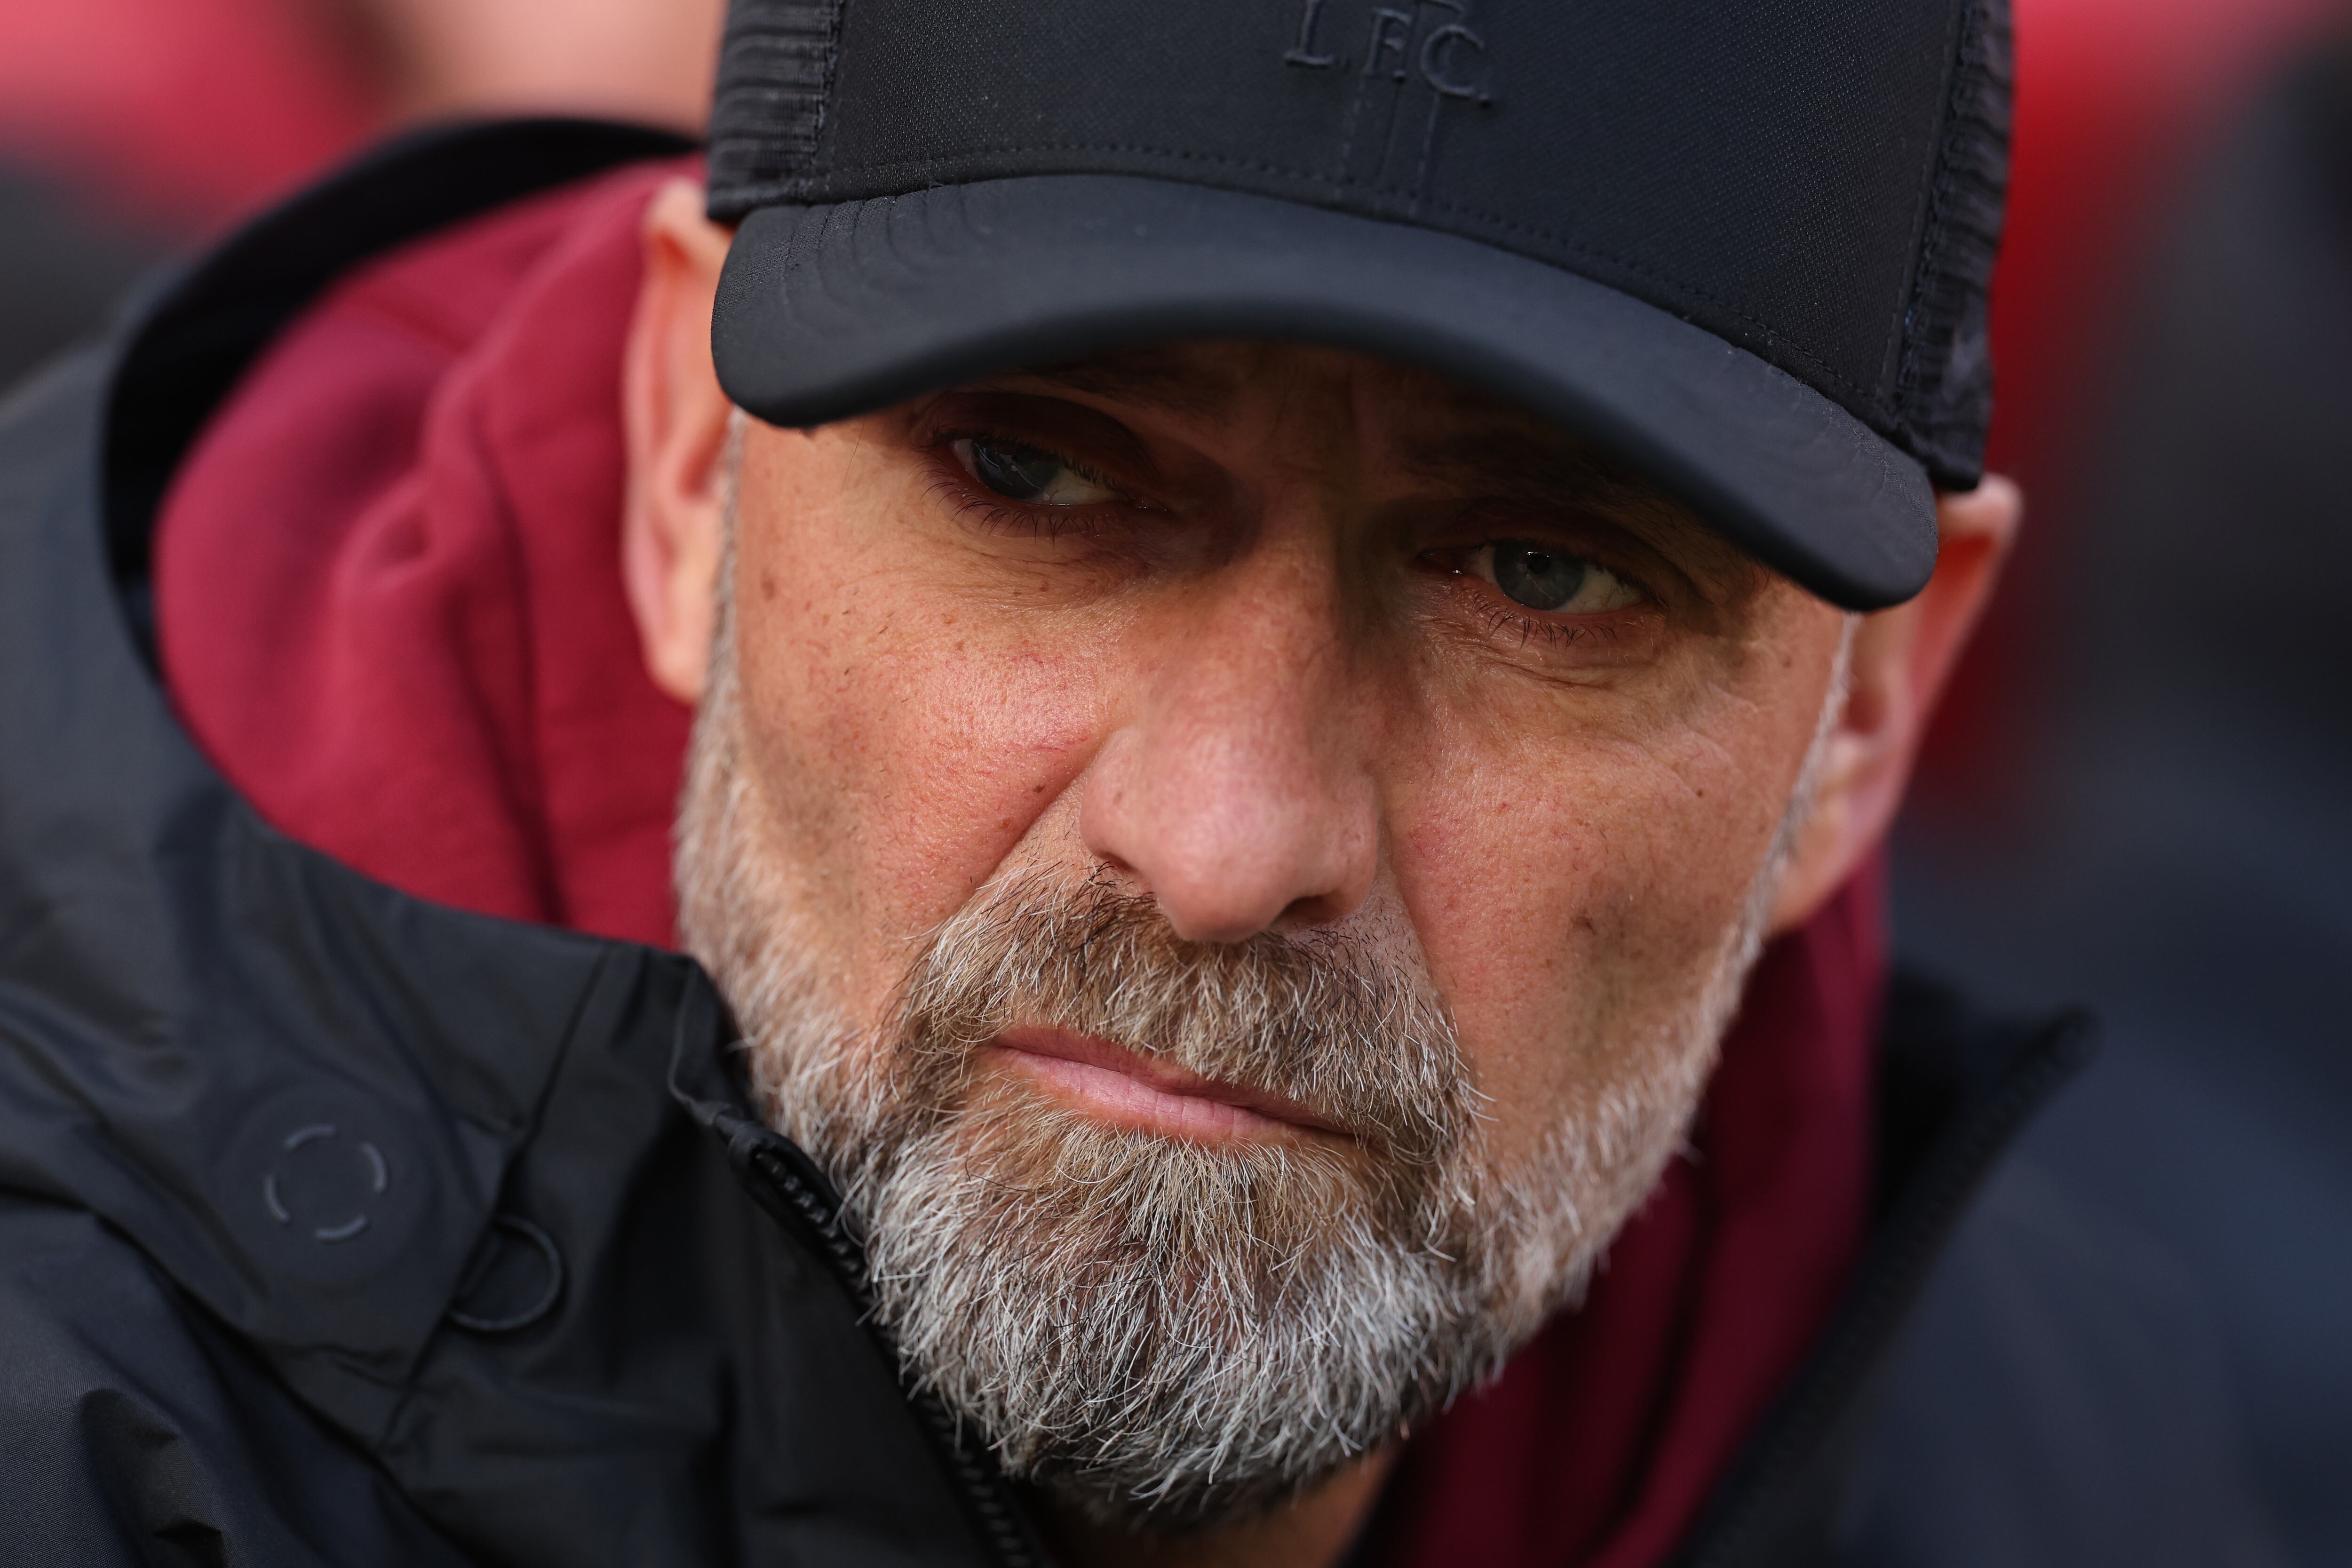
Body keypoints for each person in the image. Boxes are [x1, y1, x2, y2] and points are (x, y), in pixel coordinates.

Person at [0, 2, 2279, 1565]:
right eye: (1033, 476)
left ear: (1864, 718)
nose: (1219, 847)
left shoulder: (2074, 1472)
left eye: (1541, 576)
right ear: (689, 464)